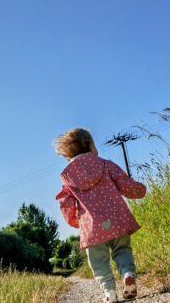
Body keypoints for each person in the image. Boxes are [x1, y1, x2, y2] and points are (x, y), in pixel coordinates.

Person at [54, 128, 146, 302]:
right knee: (122, 250)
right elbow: (126, 184)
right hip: (117, 220)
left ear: (67, 155)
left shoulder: (68, 177)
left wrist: (76, 222)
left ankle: (109, 292)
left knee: (98, 262)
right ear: (89, 145)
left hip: (92, 228)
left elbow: (65, 204)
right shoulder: (106, 164)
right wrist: (140, 190)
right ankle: (127, 273)